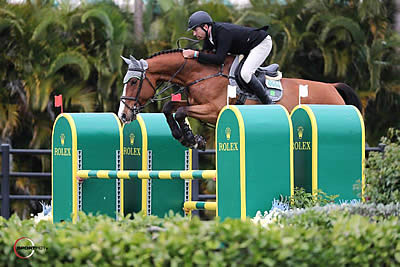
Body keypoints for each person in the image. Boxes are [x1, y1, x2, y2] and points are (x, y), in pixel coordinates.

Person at [183, 10, 272, 104]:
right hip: (246, 48)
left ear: (205, 27)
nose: (194, 34)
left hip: (261, 43)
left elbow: (219, 59)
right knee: (234, 72)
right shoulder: (209, 37)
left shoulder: (223, 32)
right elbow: (206, 55)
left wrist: (195, 54)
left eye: (195, 30)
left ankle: (267, 102)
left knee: (245, 74)